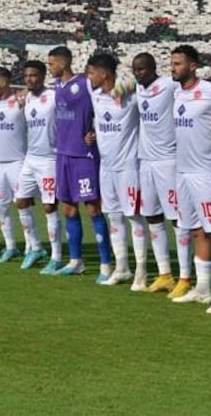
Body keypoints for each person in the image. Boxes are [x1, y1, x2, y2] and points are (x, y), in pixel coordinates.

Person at [49, 47, 113, 280]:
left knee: (93, 208)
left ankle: (106, 265)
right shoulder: (57, 86)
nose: (49, 67)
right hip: (63, 154)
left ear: (63, 63)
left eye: (51, 63)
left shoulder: (85, 83)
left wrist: (95, 129)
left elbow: (107, 102)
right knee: (68, 208)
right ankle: (76, 261)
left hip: (83, 155)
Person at [169, 45, 211, 305]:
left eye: (177, 63)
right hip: (182, 172)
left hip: (206, 173)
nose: (173, 68)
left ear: (193, 66)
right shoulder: (176, 93)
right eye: (172, 63)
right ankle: (203, 289)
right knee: (195, 230)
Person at [88, 54, 146, 287]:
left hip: (128, 166)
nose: (89, 77)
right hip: (106, 167)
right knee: (113, 216)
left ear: (104, 74)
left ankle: (141, 271)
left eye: (92, 72)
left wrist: (130, 83)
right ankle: (122, 268)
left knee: (134, 217)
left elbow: (148, 86)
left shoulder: (131, 97)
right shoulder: (95, 95)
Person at [131, 53, 182, 294]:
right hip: (146, 162)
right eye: (135, 69)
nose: (138, 73)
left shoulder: (169, 85)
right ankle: (164, 274)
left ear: (153, 68)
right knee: (152, 216)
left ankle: (185, 276)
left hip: (168, 161)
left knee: (177, 219)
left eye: (142, 69)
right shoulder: (136, 89)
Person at [0, 67, 42, 263]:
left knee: (23, 204)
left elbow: (38, 93)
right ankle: (10, 246)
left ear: (3, 83)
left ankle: (31, 245)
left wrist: (25, 92)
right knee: (0, 207)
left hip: (18, 161)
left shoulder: (21, 101)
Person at [18, 60, 60, 272]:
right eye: (26, 76)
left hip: (50, 159)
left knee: (49, 206)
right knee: (21, 201)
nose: (29, 79)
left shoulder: (54, 96)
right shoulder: (26, 98)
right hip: (30, 158)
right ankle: (35, 247)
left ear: (43, 76)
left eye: (33, 75)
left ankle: (56, 256)